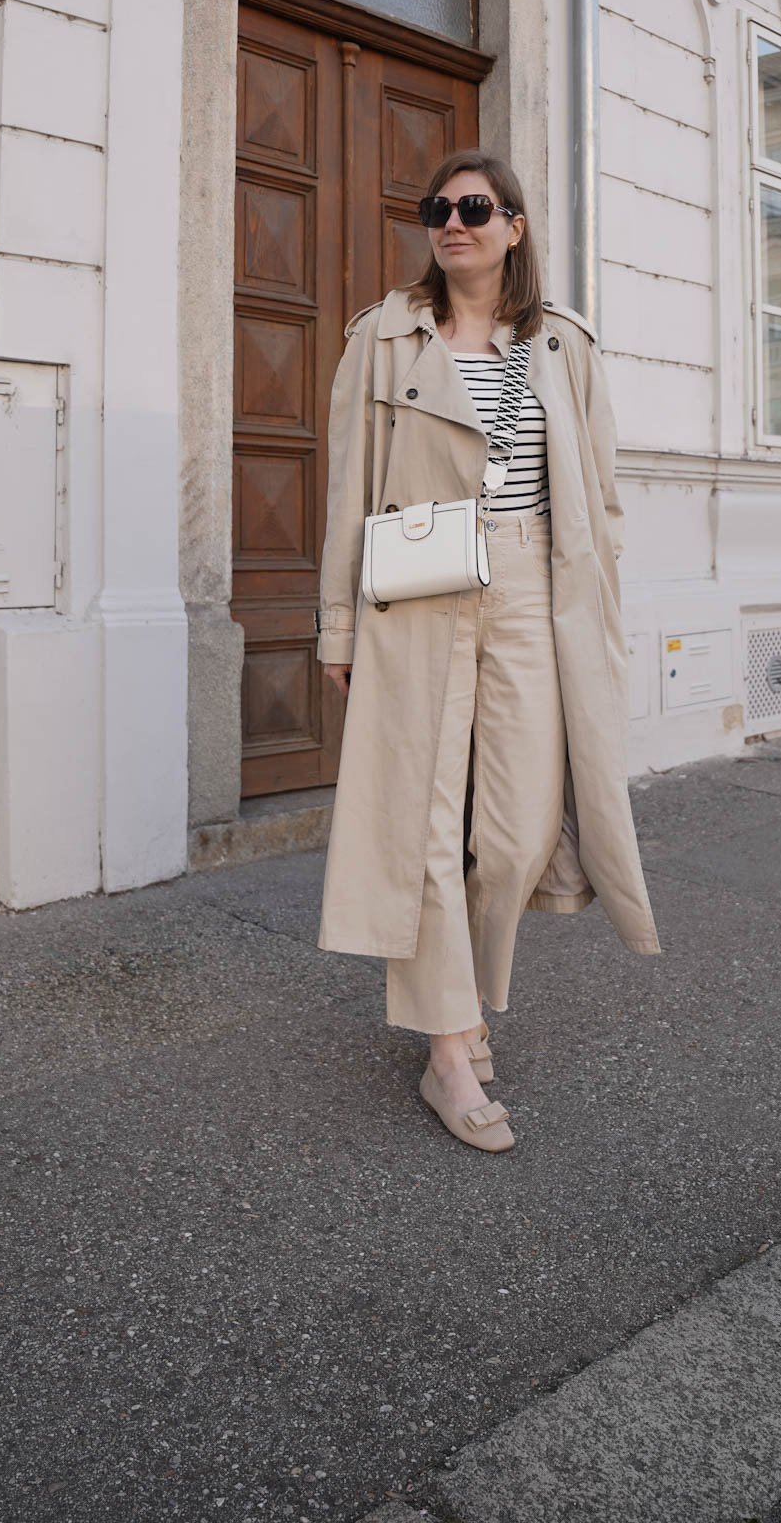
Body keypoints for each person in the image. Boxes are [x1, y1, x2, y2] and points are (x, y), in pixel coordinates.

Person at [315, 149, 661, 1154]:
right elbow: (350, 488)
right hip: (417, 582)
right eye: (438, 208)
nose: (453, 221)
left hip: (531, 586)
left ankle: (459, 1003)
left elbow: (596, 492)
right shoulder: (383, 338)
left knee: (512, 831)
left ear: (514, 225)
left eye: (475, 207)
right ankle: (450, 1047)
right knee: (421, 816)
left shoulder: (562, 344)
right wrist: (338, 624)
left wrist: (596, 601)